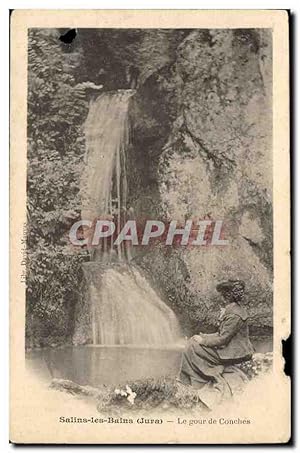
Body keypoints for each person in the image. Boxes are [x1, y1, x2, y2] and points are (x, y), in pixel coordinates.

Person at [179, 280, 254, 392]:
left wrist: (202, 341)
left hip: (235, 353)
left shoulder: (234, 315)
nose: (219, 297)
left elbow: (223, 339)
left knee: (191, 347)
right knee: (193, 343)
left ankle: (198, 381)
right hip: (235, 349)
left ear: (227, 296)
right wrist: (204, 336)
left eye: (221, 295)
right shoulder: (235, 309)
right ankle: (193, 379)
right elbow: (222, 334)